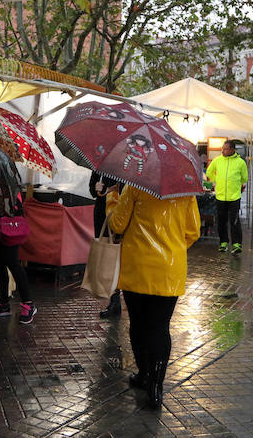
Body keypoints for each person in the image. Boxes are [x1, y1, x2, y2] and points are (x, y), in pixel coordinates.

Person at [106, 184, 200, 410]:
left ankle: (144, 374)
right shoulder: (185, 189)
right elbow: (193, 231)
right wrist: (173, 247)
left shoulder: (135, 186)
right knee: (159, 327)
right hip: (169, 270)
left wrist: (111, 198)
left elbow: (117, 224)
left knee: (138, 324)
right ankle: (156, 388)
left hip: (137, 267)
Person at [0, 196, 37, 324]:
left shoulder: (8, 179)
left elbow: (14, 202)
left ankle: (28, 303)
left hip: (8, 225)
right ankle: (3, 304)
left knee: (13, 264)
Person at [88, 171, 123, 318]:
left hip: (119, 214)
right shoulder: (100, 166)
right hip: (102, 216)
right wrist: (97, 188)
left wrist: (114, 190)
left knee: (117, 257)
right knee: (107, 257)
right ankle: (114, 299)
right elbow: (92, 191)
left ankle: (116, 298)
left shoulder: (128, 166)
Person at [205, 140, 248, 255]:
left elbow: (245, 178)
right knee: (221, 221)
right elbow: (209, 172)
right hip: (220, 197)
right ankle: (223, 242)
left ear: (232, 150)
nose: (222, 151)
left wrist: (237, 184)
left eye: (225, 149)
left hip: (234, 197)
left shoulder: (240, 162)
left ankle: (236, 244)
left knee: (234, 221)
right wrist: (216, 181)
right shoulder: (217, 160)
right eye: (222, 148)